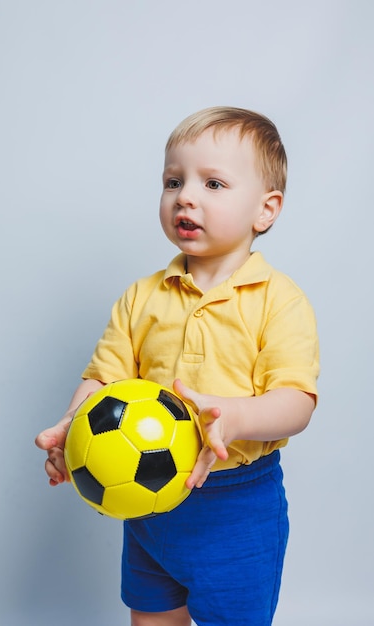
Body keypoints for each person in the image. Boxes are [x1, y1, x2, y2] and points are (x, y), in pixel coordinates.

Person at [35, 106, 319, 626]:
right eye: (173, 181)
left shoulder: (280, 302)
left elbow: (297, 402)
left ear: (266, 209)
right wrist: (70, 428)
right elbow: (105, 378)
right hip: (144, 498)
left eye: (213, 183)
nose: (185, 196)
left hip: (237, 507)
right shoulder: (141, 297)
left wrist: (234, 418)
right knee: (151, 616)